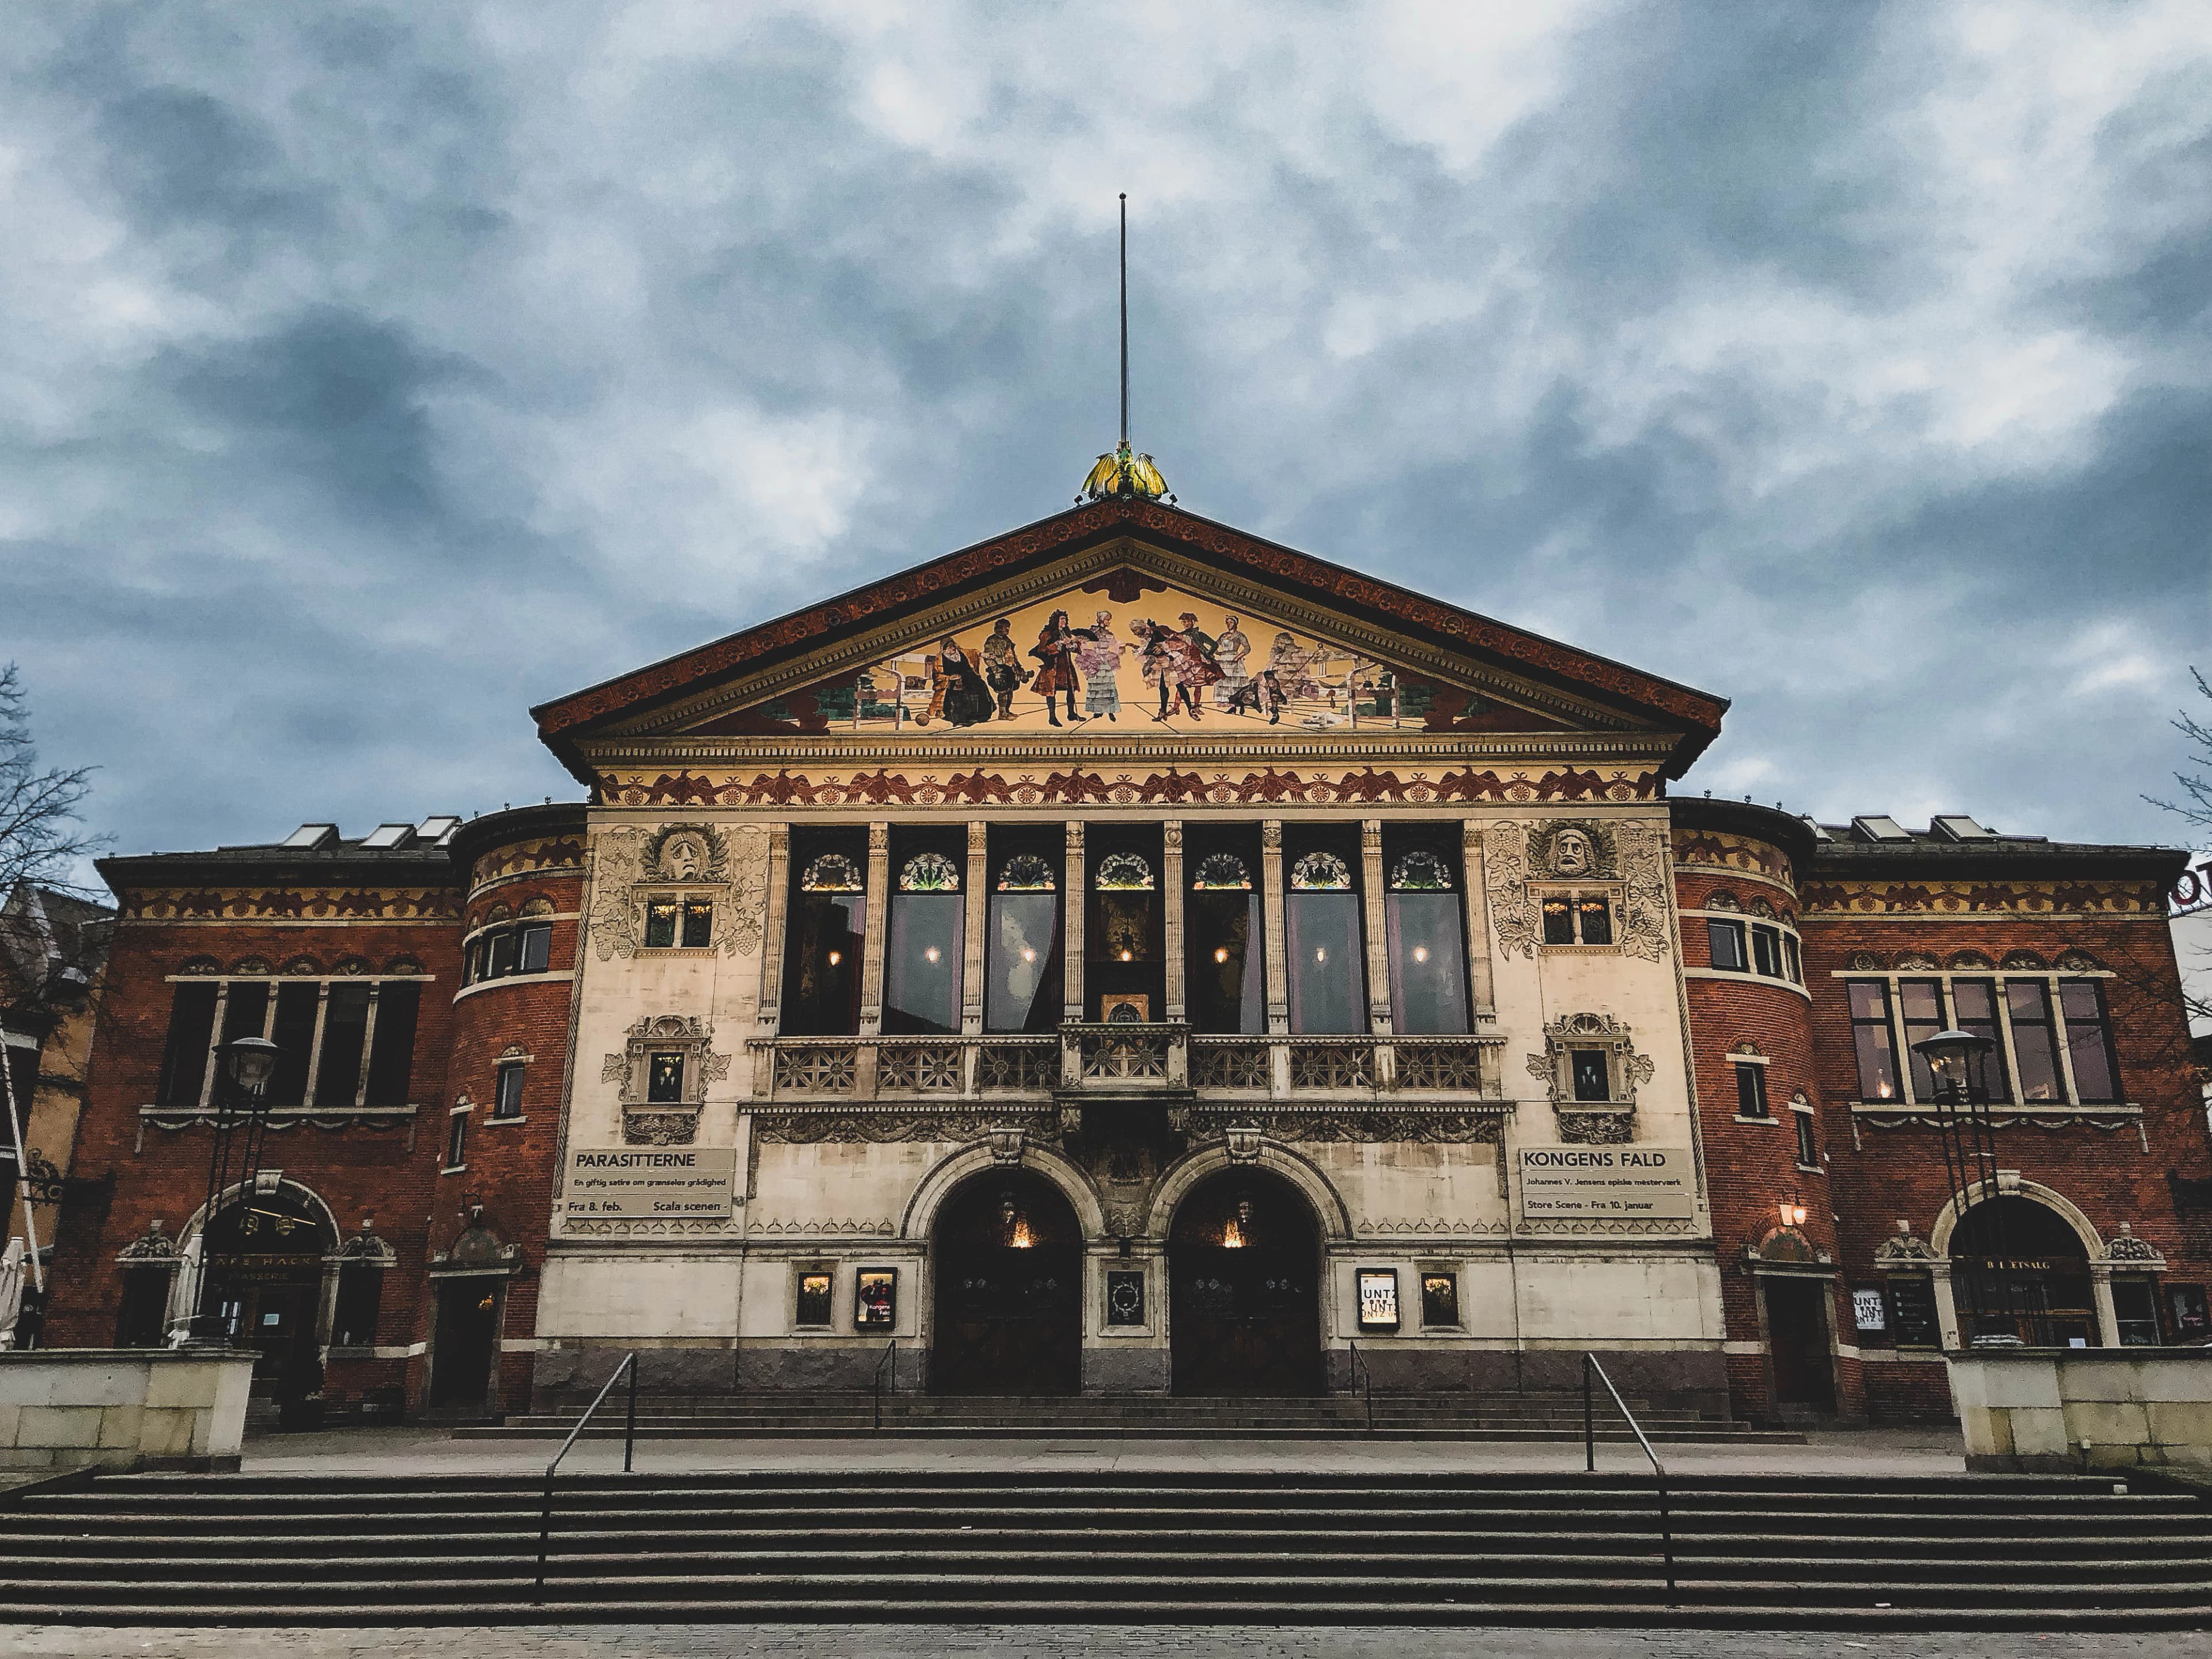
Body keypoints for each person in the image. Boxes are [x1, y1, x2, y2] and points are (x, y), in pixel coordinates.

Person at [1028, 609, 1088, 726]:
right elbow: (1042, 650)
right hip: (1053, 667)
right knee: (1051, 692)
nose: (1064, 621)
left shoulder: (1067, 633)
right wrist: (1059, 643)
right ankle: (1052, 717)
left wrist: (1073, 645)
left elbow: (1075, 648)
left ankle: (1071, 714)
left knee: (1071, 689)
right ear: (1056, 621)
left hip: (1065, 666)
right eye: (1062, 619)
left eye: (1065, 619)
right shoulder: (1047, 634)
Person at [919, 637, 993, 728]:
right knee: (960, 693)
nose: (952, 649)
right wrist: (950, 678)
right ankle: (964, 719)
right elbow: (937, 675)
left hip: (969, 677)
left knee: (981, 686)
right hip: (952, 681)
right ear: (944, 648)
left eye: (953, 646)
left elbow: (973, 652)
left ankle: (982, 715)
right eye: (949, 647)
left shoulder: (961, 653)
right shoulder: (940, 658)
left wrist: (983, 655)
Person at [1075, 609, 1131, 721]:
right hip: (1095, 661)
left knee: (1109, 687)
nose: (1109, 622)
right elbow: (1085, 644)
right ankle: (1098, 711)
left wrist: (1126, 645)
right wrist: (1083, 646)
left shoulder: (1109, 635)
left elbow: (1115, 646)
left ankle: (1110, 711)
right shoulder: (1092, 632)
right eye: (1107, 620)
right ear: (1102, 620)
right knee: (1096, 688)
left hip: (1105, 661)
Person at [979, 617, 1029, 719]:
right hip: (1000, 668)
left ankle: (1007, 711)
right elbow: (988, 658)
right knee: (1004, 691)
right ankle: (1002, 713)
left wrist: (1018, 667)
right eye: (1005, 628)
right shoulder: (992, 640)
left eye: (1008, 628)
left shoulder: (1008, 640)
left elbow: (1012, 655)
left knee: (1010, 690)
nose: (1007, 630)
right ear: (999, 628)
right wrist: (996, 671)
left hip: (1010, 668)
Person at [1212, 613, 1251, 709]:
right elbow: (1215, 646)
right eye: (1228, 622)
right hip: (1223, 659)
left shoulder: (1239, 635)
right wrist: (1219, 653)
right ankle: (1221, 700)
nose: (1229, 624)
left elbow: (1247, 648)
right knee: (1221, 679)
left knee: (1232, 680)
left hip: (1233, 658)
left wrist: (1238, 657)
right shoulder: (1223, 635)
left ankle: (1232, 700)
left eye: (1231, 622)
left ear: (1236, 623)